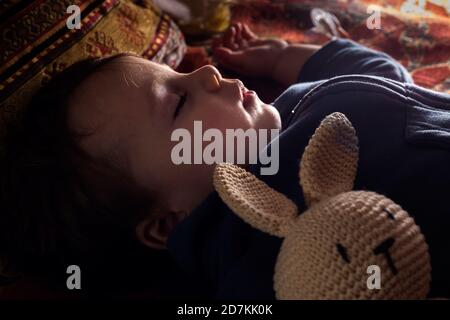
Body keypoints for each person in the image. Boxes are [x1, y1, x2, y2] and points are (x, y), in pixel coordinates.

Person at [0, 22, 449, 298]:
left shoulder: (293, 108)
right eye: (178, 103)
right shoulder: (257, 265)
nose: (207, 72)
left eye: (181, 74)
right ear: (166, 224)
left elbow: (385, 75)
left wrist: (280, 57)